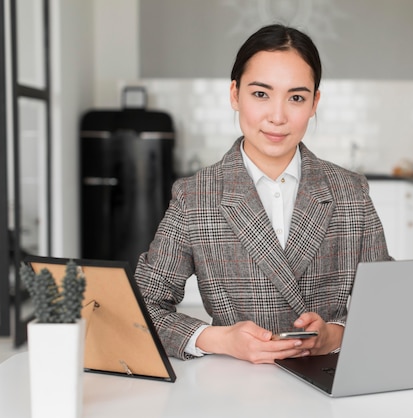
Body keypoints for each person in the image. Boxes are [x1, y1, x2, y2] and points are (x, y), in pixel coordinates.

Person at [135, 23, 391, 364]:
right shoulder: (195, 196)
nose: (277, 116)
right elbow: (141, 306)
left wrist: (335, 335)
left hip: (334, 378)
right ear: (234, 94)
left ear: (315, 103)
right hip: (234, 384)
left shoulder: (351, 192)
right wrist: (220, 339)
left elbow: (386, 303)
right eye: (260, 94)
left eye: (296, 98)